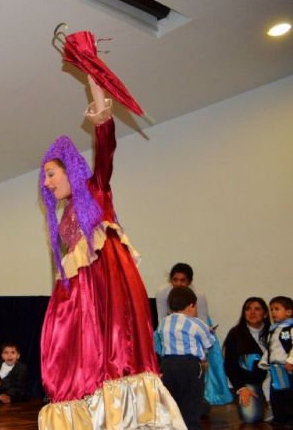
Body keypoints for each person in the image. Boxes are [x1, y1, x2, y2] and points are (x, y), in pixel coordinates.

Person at [37, 75, 183, 429]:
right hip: (81, 301)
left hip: (103, 292)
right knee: (68, 354)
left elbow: (105, 147)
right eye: (45, 177)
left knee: (113, 352)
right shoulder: (67, 212)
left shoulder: (95, 189)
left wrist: (97, 93)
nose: (47, 182)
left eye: (52, 173)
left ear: (69, 169)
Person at [157, 286, 215, 430]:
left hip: (168, 365)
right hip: (190, 366)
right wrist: (210, 332)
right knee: (192, 402)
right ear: (191, 305)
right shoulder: (196, 323)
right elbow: (209, 343)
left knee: (172, 401)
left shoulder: (164, 322)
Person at [223, 297, 270, 424]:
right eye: (248, 309)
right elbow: (229, 366)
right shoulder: (235, 334)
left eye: (257, 309)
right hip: (249, 383)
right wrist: (241, 388)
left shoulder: (275, 332)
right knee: (250, 417)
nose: (252, 312)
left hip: (275, 381)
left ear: (265, 314)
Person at [259, 295, 293, 425]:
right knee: (276, 394)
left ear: (289, 312)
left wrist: (291, 361)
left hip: (288, 368)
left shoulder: (290, 328)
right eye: (271, 309)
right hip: (276, 368)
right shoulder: (273, 329)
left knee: (289, 395)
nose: (273, 312)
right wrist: (265, 361)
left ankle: (290, 419)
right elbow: (270, 348)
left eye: (276, 309)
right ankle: (279, 418)